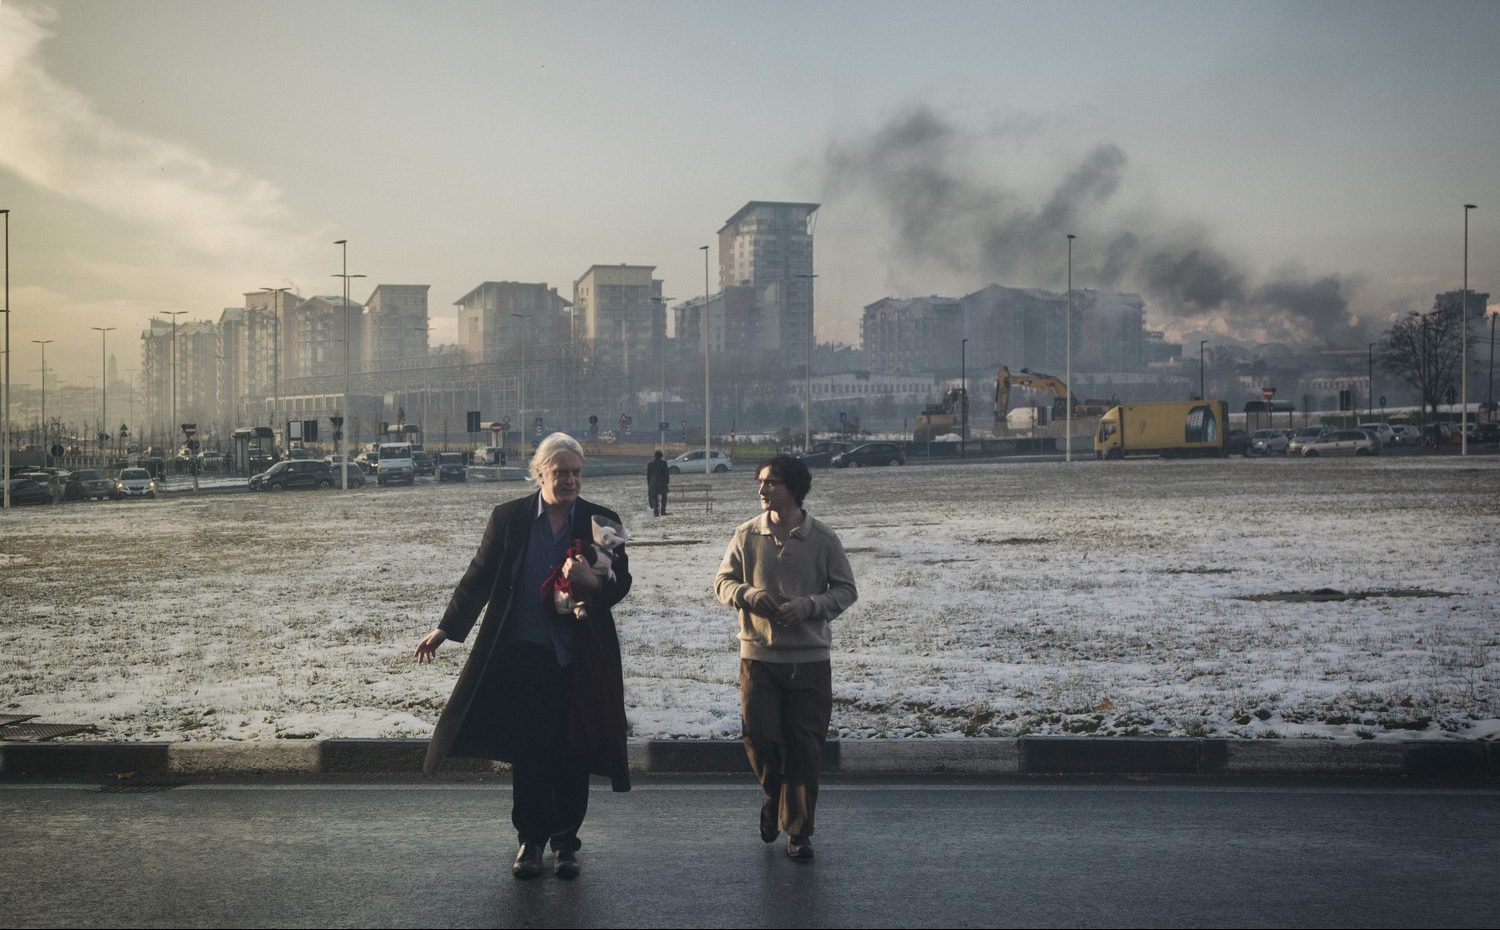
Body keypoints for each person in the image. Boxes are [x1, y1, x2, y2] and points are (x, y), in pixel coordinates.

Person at [415, 432, 632, 881]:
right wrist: (446, 628)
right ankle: (530, 843)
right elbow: (479, 575)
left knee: (574, 750)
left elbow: (621, 584)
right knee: (530, 752)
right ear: (540, 474)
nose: (570, 480)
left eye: (576, 472)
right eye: (560, 473)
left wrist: (590, 580)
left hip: (578, 657)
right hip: (522, 654)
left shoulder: (600, 522)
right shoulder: (510, 518)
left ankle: (566, 844)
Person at [714, 454, 857, 862]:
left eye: (771, 482)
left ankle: (798, 831)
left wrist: (810, 605)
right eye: (759, 482)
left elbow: (846, 591)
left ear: (793, 487)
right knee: (759, 739)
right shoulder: (745, 535)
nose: (762, 489)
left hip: (810, 660)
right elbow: (722, 582)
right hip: (758, 657)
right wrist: (749, 595)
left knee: (804, 747)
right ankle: (772, 794)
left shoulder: (823, 540)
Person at [646, 449, 670, 516]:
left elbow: (648, 476)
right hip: (662, 483)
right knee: (664, 498)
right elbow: (666, 473)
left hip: (653, 483)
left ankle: (656, 511)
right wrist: (667, 481)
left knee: (655, 498)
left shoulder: (650, 464)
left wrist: (649, 484)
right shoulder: (664, 463)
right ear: (661, 456)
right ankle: (663, 511)